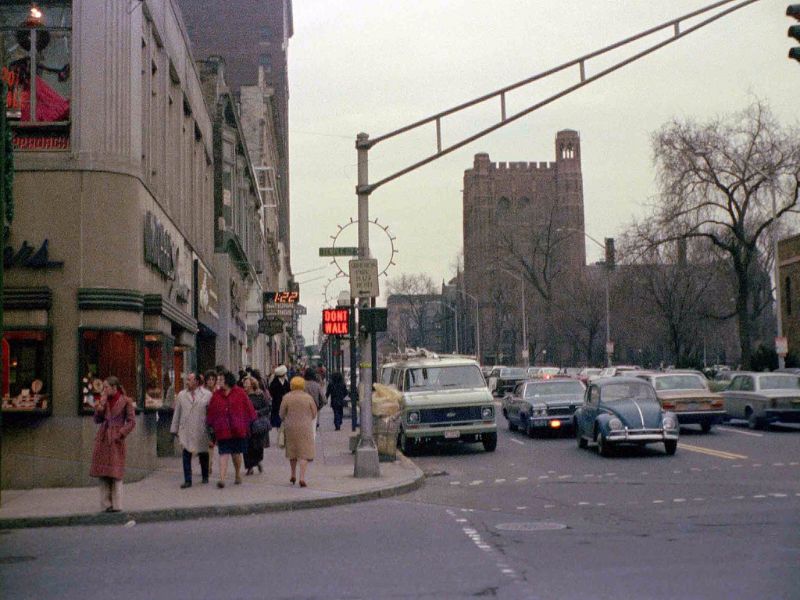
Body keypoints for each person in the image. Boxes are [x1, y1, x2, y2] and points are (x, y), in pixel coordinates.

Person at [89, 376, 136, 512]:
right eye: (103, 387)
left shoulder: (126, 401)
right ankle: (105, 504)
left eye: (106, 387)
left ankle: (117, 504)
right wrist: (100, 406)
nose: (104, 390)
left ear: (114, 388)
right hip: (103, 438)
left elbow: (132, 421)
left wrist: (121, 433)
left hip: (116, 439)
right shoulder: (104, 401)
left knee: (115, 471)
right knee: (104, 472)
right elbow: (97, 420)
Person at [206, 371, 256, 488]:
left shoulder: (239, 392)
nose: (219, 382)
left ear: (228, 380)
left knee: (236, 454)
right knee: (223, 453)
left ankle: (237, 474)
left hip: (237, 429)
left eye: (221, 380)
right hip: (222, 429)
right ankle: (222, 479)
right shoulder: (217, 395)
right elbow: (212, 410)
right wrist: (210, 423)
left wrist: (246, 423)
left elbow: (248, 409)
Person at [170, 371, 211, 488]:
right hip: (186, 429)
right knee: (186, 453)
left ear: (197, 382)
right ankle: (188, 480)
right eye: (187, 379)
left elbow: (211, 412)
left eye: (189, 380)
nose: (187, 382)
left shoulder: (207, 395)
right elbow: (177, 413)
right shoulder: (181, 395)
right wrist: (174, 429)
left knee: (203, 452)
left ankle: (205, 476)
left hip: (201, 427)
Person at [279, 376, 317, 487]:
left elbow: (281, 413)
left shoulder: (287, 397)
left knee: (293, 452)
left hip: (290, 427)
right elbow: (314, 413)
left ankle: (293, 474)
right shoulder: (308, 398)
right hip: (305, 427)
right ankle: (302, 477)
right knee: (304, 453)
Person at [243, 376, 271, 475]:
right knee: (246, 445)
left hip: (258, 423)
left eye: (247, 383)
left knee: (257, 445)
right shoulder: (242, 396)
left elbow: (268, 408)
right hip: (245, 424)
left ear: (252, 384)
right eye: (244, 383)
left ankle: (258, 461)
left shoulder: (260, 395)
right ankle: (249, 467)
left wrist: (258, 413)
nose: (245, 384)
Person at [269, 365, 290, 430]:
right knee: (277, 418)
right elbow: (271, 391)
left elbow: (289, 390)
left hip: (284, 402)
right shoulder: (274, 382)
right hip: (276, 403)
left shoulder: (286, 382)